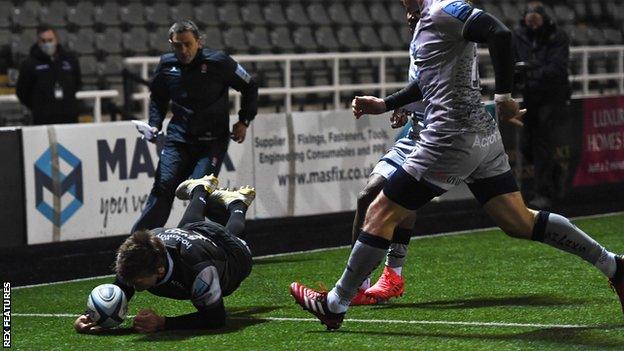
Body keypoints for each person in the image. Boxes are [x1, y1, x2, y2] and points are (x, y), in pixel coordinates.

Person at [290, 0, 624, 330]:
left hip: (449, 136)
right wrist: (386, 103)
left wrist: (503, 98)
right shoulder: (428, 21)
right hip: (482, 136)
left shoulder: (444, 9)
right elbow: (431, 81)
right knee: (520, 222)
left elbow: (500, 33)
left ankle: (335, 303)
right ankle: (614, 266)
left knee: (379, 211)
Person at [74, 175, 256, 333]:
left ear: (160, 270)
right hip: (193, 235)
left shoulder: (199, 270)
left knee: (234, 238)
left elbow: (215, 319)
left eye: (137, 282)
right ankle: (201, 188)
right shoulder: (138, 257)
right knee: (187, 227)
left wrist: (163, 323)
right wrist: (90, 316)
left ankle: (238, 203)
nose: (131, 285)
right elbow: (124, 286)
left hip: (231, 257)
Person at [131, 20, 259, 233]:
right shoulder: (166, 65)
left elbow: (250, 86)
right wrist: (154, 124)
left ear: (199, 42)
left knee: (199, 192)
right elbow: (158, 98)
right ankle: (138, 244)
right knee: (163, 188)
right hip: (177, 140)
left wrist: (244, 120)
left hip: (211, 143)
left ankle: (233, 232)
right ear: (171, 44)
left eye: (188, 44)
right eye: (177, 45)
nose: (183, 50)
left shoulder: (219, 62)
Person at [349, 0, 424, 306]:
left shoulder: (444, 39)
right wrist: (406, 107)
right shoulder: (419, 39)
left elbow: (436, 86)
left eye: (415, 7)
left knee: (515, 219)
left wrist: (390, 104)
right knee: (369, 196)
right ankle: (365, 282)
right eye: (406, 8)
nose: (410, 15)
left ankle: (383, 275)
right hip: (418, 132)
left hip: (446, 136)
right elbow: (421, 88)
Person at [512, 1, 571, 210]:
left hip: (551, 97)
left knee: (542, 146)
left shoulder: (557, 36)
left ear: (544, 19)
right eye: (530, 21)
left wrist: (529, 69)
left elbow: (556, 68)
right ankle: (555, 172)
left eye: (536, 20)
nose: (533, 25)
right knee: (526, 146)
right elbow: (514, 62)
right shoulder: (519, 35)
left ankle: (543, 193)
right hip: (530, 97)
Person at [16, 24, 82, 125]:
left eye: (50, 40)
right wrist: (39, 105)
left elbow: (77, 82)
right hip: (43, 119)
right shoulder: (29, 63)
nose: (47, 44)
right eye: (43, 41)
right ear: (38, 42)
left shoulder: (70, 60)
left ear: (56, 40)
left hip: (69, 117)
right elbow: (22, 91)